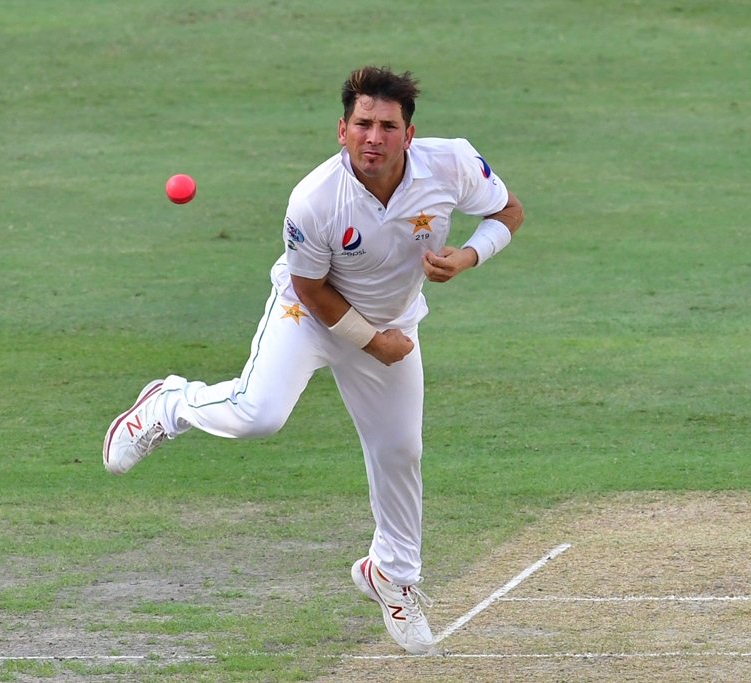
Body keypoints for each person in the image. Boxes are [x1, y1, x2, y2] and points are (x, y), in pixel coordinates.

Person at [102, 65, 524, 654]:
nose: (373, 138)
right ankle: (168, 405)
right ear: (341, 130)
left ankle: (391, 577)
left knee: (400, 450)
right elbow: (311, 288)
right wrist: (373, 344)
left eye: (386, 126)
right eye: (362, 124)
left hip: (391, 322)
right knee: (259, 415)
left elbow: (508, 212)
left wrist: (470, 256)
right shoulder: (313, 199)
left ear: (409, 133)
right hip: (311, 317)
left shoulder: (452, 163)